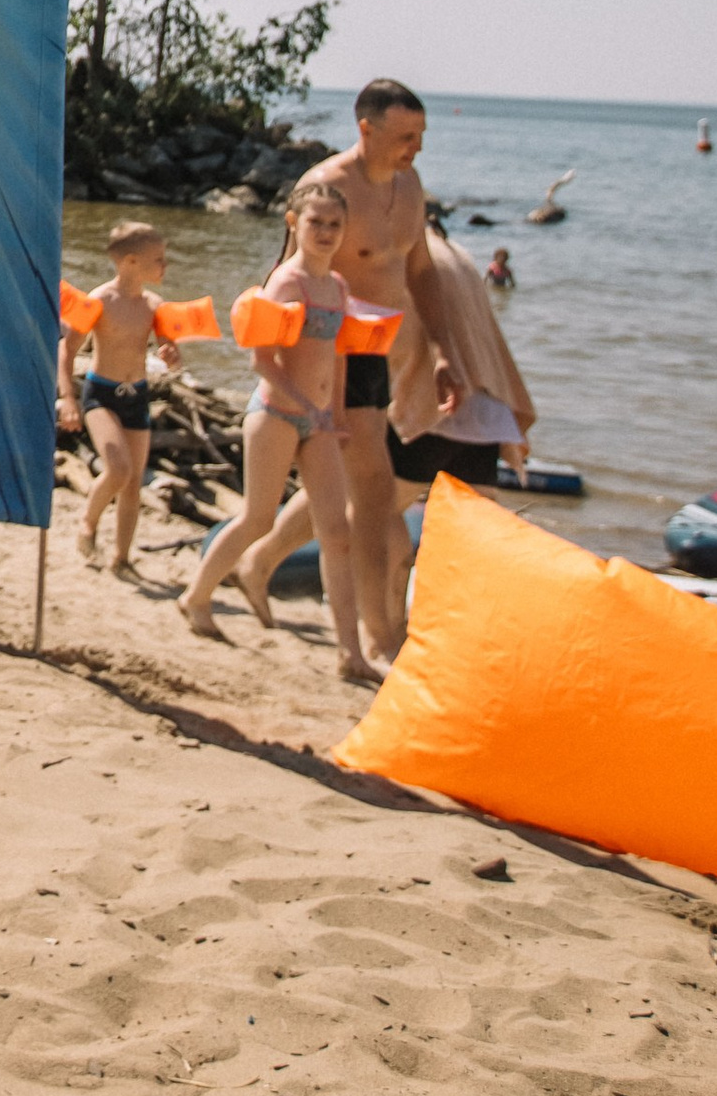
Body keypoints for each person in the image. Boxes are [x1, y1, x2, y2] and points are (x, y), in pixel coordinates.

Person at [239, 81, 460, 660]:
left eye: (421, 136)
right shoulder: (328, 188)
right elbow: (286, 272)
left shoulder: (410, 185)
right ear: (367, 128)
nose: (416, 147)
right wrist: (277, 363)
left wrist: (441, 350)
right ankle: (379, 636)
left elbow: (421, 272)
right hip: (336, 358)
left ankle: (258, 564)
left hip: (388, 356)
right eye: (405, 136)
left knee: (335, 489)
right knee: (376, 490)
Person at [180, 176, 382, 684]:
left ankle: (350, 653)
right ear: (294, 222)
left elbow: (335, 359)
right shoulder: (285, 283)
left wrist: (334, 415)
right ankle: (195, 597)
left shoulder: (336, 286)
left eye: (335, 224)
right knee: (256, 520)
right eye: (316, 222)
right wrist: (305, 409)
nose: (326, 232)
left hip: (318, 424)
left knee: (337, 534)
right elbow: (263, 364)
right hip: (274, 415)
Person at [57, 223, 215, 577]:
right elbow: (66, 351)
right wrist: (68, 397)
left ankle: (122, 558)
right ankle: (88, 519)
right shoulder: (100, 300)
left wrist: (173, 357)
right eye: (158, 259)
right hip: (100, 394)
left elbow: (170, 352)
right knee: (118, 468)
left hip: (137, 396)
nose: (165, 266)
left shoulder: (153, 305)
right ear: (130, 262)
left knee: (132, 485)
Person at [388, 230, 536, 490]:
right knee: (473, 515)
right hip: (489, 413)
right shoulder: (459, 256)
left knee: (373, 505)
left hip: (432, 413)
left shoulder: (400, 251)